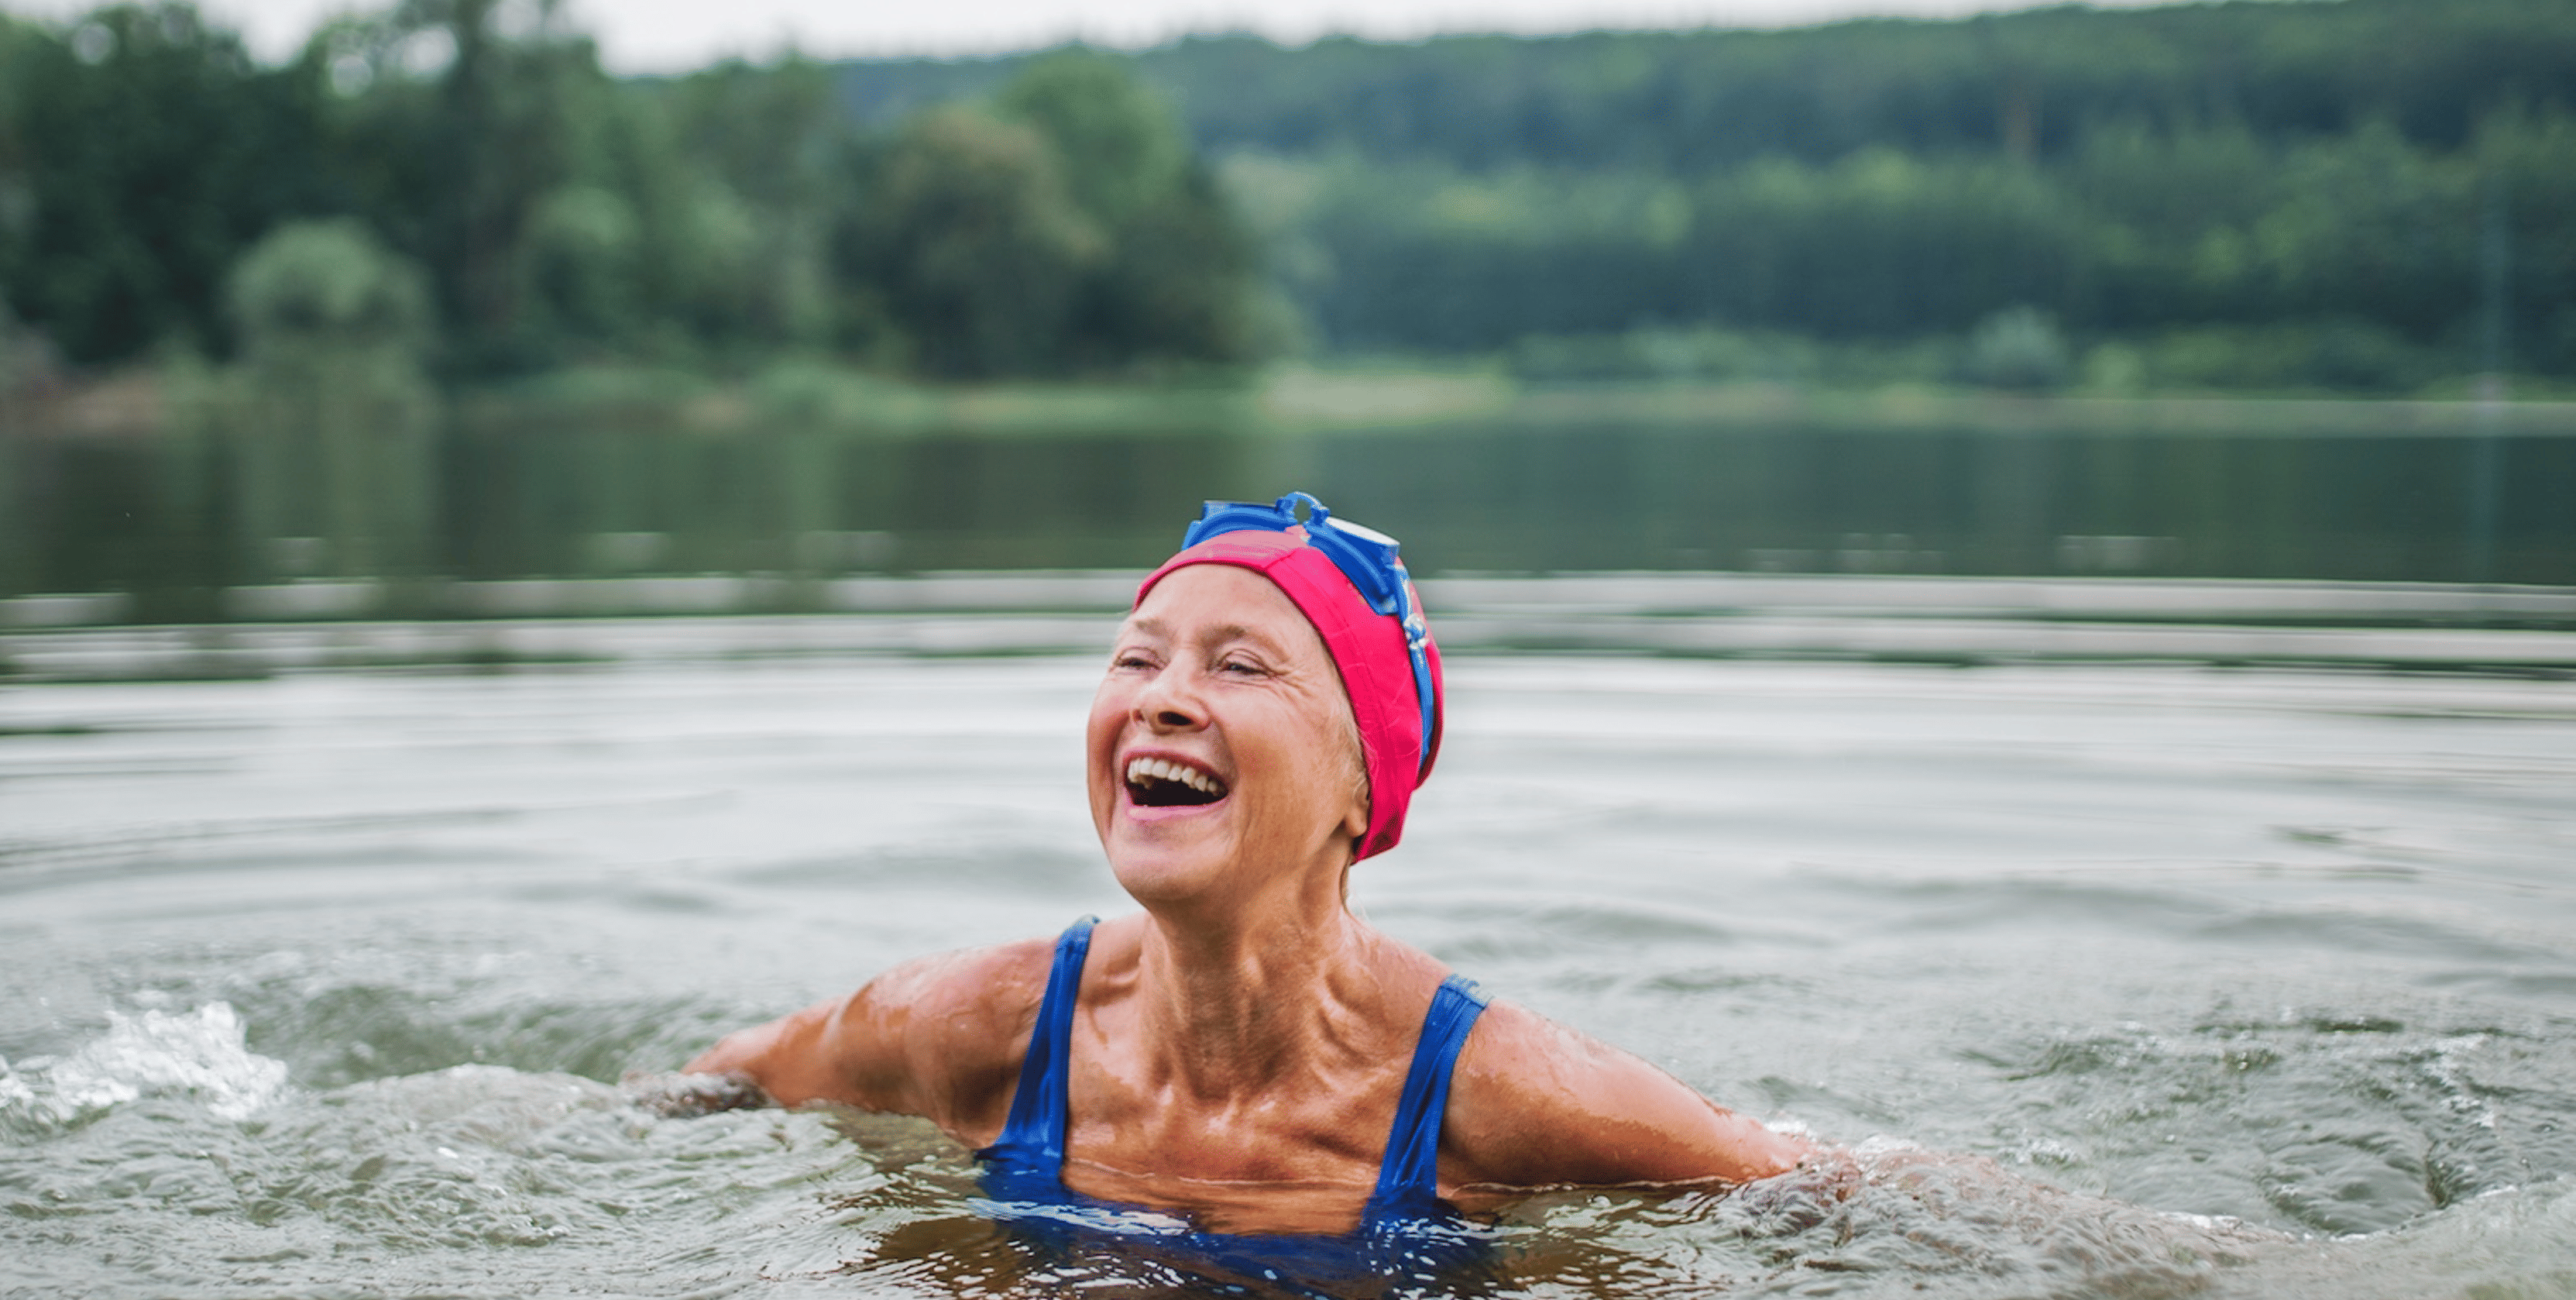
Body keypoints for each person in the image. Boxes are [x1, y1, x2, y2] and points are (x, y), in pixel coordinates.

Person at [675, 492, 1831, 1245]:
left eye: (1241, 666)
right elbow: (722, 1082)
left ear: (1363, 787)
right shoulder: (976, 1024)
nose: (1162, 696)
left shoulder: (1500, 1092)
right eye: (1137, 656)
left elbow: (1814, 1183)